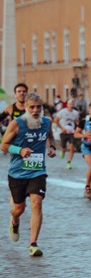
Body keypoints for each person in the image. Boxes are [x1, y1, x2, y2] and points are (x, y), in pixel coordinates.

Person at [1, 93, 56, 257]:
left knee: (37, 203)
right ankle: (14, 220)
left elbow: (50, 136)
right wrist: (20, 150)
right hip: (17, 172)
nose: (35, 110)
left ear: (42, 108)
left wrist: (51, 147)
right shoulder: (17, 124)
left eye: (38, 107)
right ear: (26, 108)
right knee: (19, 208)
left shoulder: (46, 122)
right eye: (31, 107)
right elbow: (4, 145)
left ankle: (33, 243)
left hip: (38, 171)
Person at [54, 99, 80, 169]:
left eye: (73, 104)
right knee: (64, 148)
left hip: (71, 132)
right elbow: (56, 120)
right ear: (67, 105)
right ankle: (63, 151)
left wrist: (78, 128)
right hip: (63, 132)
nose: (72, 106)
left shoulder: (75, 113)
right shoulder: (62, 112)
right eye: (70, 104)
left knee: (72, 146)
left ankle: (69, 162)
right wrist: (61, 128)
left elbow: (77, 121)